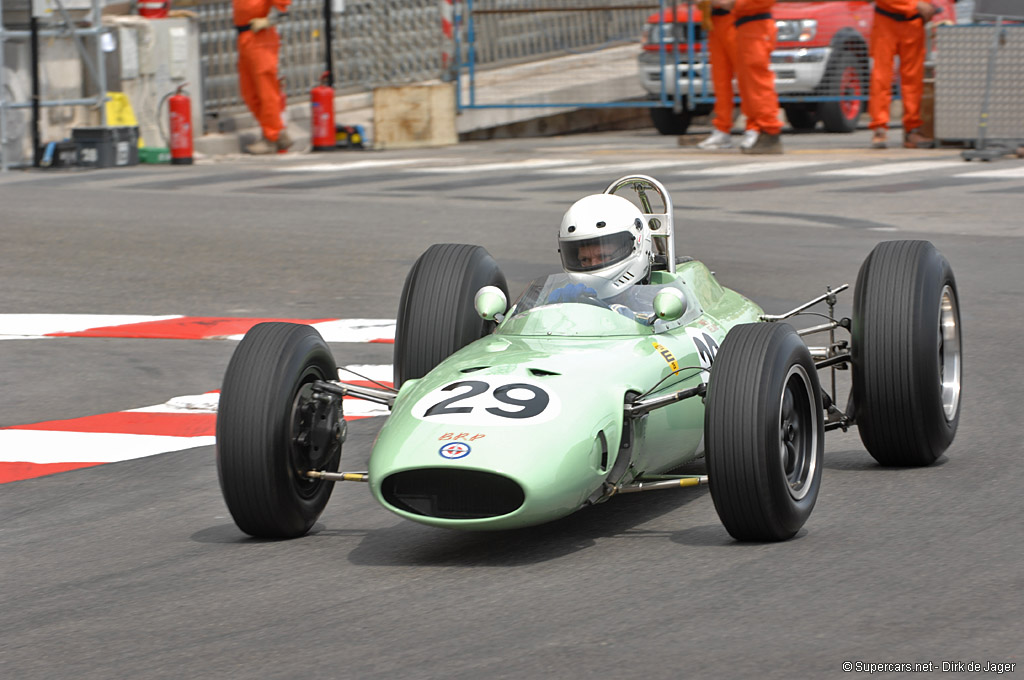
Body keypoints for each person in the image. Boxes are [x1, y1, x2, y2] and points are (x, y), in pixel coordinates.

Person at [553, 193, 654, 302]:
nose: (593, 264)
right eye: (584, 259)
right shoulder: (567, 296)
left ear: (637, 244)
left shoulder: (655, 300)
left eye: (603, 256)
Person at [868, 1, 939, 149]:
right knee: (881, 77)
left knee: (914, 79)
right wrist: (916, 4)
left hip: (914, 23)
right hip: (886, 21)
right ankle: (879, 128)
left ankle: (912, 130)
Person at [715, 0, 782, 154]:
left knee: (757, 82)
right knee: (748, 84)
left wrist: (733, 3)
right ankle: (759, 128)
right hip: (746, 26)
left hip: (755, 26)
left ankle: (768, 130)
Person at [234, 0, 293, 154]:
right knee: (249, 93)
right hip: (245, 38)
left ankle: (271, 137)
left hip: (261, 38)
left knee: (267, 92)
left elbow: (283, 10)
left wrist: (268, 21)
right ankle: (278, 133)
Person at [696, 0, 742, 150]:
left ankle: (756, 127)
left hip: (735, 20)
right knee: (720, 80)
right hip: (715, 22)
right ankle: (722, 129)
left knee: (746, 78)